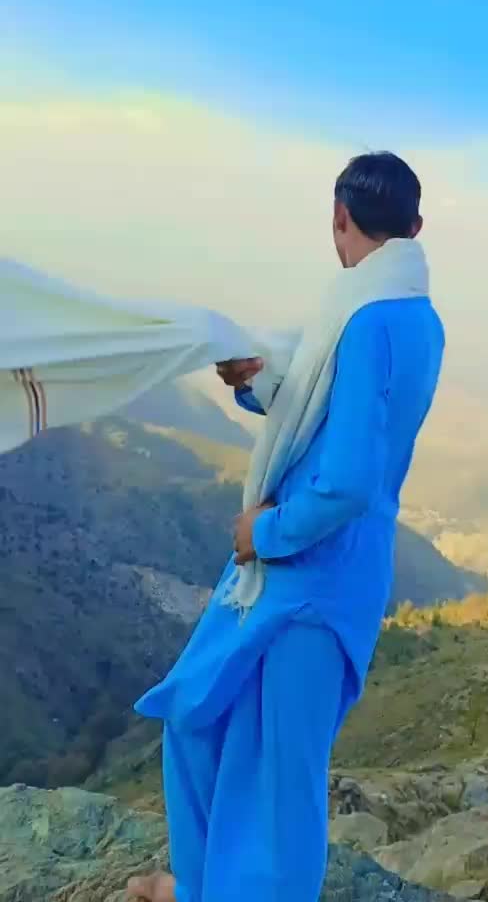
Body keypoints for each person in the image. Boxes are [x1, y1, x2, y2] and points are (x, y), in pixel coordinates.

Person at [127, 152, 445, 902]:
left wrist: (260, 536)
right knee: (209, 723)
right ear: (415, 227)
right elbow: (328, 419)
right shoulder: (414, 316)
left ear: (339, 217)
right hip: (321, 572)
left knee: (276, 776)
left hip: (311, 573)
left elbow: (349, 481)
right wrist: (261, 382)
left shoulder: (365, 319)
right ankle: (205, 888)